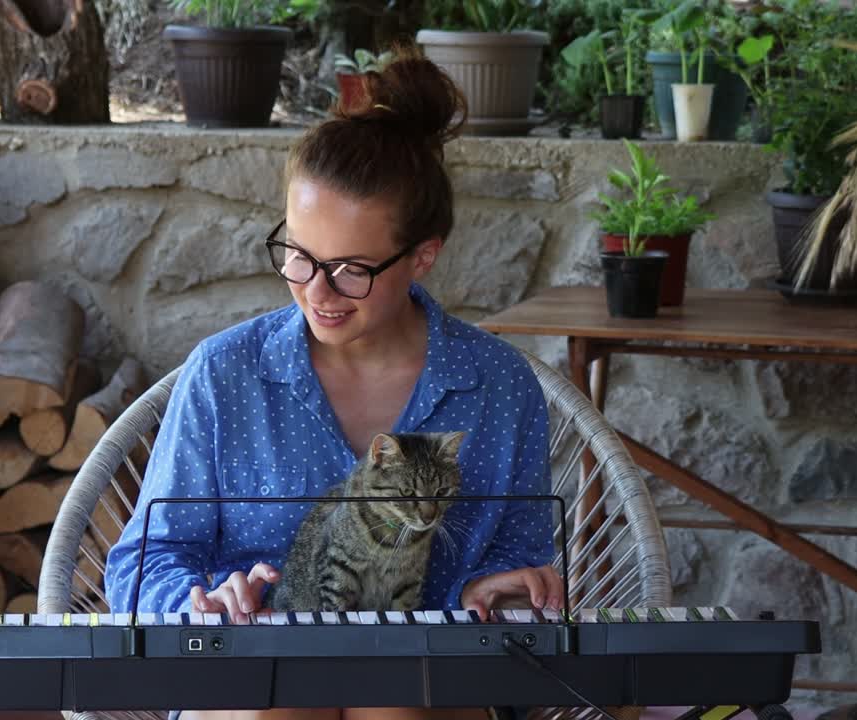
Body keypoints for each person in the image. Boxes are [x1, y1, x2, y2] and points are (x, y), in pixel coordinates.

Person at [103, 44, 563, 720]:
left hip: (435, 688)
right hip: (247, 687)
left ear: (423, 257)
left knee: (393, 699)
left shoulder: (497, 385)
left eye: (351, 268)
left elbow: (519, 567)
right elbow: (145, 561)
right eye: (297, 255)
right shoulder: (226, 373)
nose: (316, 292)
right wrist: (203, 602)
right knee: (279, 694)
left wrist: (505, 593)